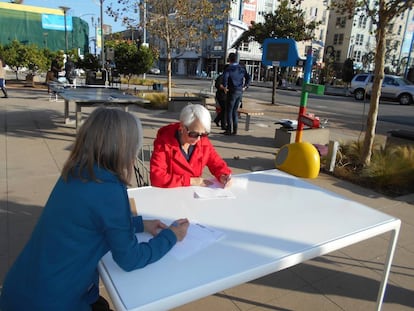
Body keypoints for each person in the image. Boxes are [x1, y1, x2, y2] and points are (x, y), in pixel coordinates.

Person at [0, 107, 189, 311]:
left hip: (24, 289)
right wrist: (171, 236)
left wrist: (139, 224)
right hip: (54, 301)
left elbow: (91, 222)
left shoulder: (76, 172)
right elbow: (130, 259)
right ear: (125, 149)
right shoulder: (109, 189)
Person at [150, 104, 232, 188]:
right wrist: (190, 181)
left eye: (204, 134)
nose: (198, 139)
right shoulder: (164, 143)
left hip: (194, 193)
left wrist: (223, 174)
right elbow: (157, 177)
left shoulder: (202, 140)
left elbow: (215, 161)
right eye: (193, 134)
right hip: (172, 193)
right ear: (182, 127)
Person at [222, 52, 251, 135]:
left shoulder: (229, 68)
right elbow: (248, 77)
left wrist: (225, 87)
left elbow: (225, 78)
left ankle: (229, 129)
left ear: (229, 59)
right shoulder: (241, 68)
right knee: (235, 111)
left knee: (229, 110)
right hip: (240, 91)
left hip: (232, 91)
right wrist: (245, 86)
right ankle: (235, 130)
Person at [213, 65, 229, 130]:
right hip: (221, 96)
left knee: (224, 110)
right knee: (224, 109)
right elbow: (217, 85)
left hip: (226, 96)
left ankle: (217, 120)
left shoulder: (228, 77)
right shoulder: (221, 77)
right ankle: (223, 125)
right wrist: (224, 88)